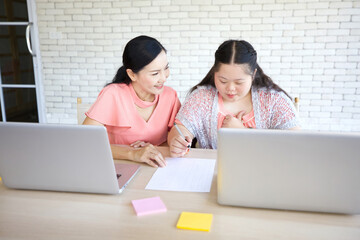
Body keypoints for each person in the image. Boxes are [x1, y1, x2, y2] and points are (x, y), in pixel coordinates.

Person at [168, 39, 300, 157]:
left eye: (239, 82)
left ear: (253, 74)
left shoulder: (273, 100)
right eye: (223, 81)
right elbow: (181, 128)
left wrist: (242, 133)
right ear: (214, 73)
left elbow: (295, 144)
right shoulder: (201, 97)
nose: (230, 88)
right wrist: (177, 140)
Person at [83, 35, 181, 167]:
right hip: (115, 168)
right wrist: (133, 153)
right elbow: (86, 142)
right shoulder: (112, 94)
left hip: (157, 168)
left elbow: (174, 139)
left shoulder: (170, 96)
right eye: (155, 73)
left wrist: (151, 149)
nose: (163, 78)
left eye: (166, 68)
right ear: (132, 74)